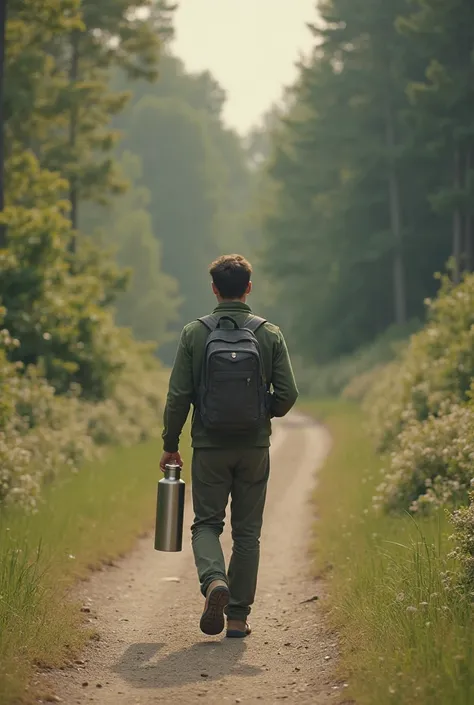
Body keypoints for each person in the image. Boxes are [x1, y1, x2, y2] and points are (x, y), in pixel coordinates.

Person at [160, 254, 298, 638]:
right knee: (247, 533)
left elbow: (178, 396)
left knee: (207, 523)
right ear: (248, 288)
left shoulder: (194, 333)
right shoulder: (269, 333)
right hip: (254, 448)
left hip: (209, 447)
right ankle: (237, 617)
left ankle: (214, 581)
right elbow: (288, 394)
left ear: (215, 290)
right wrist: (261, 412)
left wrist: (171, 444)